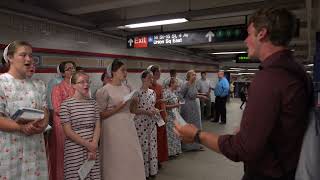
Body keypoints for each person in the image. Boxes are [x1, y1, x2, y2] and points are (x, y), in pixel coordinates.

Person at [175, 7, 313, 180]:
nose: (246, 40)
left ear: (262, 33)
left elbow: (244, 148)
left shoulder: (268, 79)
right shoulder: (299, 73)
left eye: (249, 34)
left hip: (267, 173)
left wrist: (197, 135)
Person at [0, 41, 49, 179]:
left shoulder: (38, 85)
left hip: (35, 148)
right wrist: (21, 128)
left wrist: (43, 124)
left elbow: (44, 109)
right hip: (10, 148)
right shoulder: (2, 83)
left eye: (30, 55)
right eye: (23, 55)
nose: (28, 59)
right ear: (10, 58)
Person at [96, 59, 145, 180]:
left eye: (126, 70)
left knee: (131, 154)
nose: (125, 73)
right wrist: (118, 107)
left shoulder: (127, 88)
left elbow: (132, 110)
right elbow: (100, 115)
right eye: (122, 70)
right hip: (112, 128)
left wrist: (135, 101)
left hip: (128, 125)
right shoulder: (104, 90)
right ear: (113, 72)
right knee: (115, 157)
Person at [60, 72, 101, 179]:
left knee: (93, 175)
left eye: (87, 82)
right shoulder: (66, 105)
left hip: (92, 146)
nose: (86, 84)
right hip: (75, 148)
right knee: (76, 175)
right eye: (82, 82)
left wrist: (94, 145)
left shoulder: (93, 103)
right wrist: (88, 145)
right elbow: (68, 131)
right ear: (73, 85)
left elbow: (97, 125)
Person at [48, 61, 76, 180]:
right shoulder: (57, 88)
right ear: (63, 73)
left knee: (75, 152)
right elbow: (57, 108)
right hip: (61, 123)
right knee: (62, 152)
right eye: (68, 69)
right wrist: (75, 111)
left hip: (75, 122)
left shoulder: (76, 87)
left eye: (73, 68)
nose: (72, 70)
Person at [130, 70, 159, 179]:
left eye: (152, 78)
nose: (151, 80)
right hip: (141, 123)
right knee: (143, 147)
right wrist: (146, 112)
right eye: (149, 78)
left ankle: (152, 170)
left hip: (151, 123)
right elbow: (132, 110)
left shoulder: (152, 92)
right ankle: (143, 172)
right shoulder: (136, 93)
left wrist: (155, 110)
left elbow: (152, 105)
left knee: (152, 145)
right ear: (143, 79)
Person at [179, 70, 208, 151]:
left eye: (195, 75)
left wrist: (202, 96)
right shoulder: (185, 84)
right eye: (193, 75)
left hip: (194, 106)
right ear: (188, 76)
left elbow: (194, 94)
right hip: (187, 107)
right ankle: (187, 146)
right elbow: (180, 95)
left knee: (196, 125)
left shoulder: (194, 84)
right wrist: (182, 105)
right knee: (188, 125)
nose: (195, 76)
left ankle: (196, 145)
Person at [148, 65, 169, 165]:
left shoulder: (160, 86)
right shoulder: (148, 86)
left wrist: (165, 113)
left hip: (160, 114)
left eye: (160, 72)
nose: (159, 74)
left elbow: (163, 102)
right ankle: (153, 159)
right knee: (154, 138)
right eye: (157, 72)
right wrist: (158, 101)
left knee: (160, 137)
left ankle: (159, 159)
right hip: (152, 114)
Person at [163, 78, 182, 157]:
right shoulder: (166, 93)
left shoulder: (173, 92)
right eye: (176, 83)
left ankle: (175, 150)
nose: (177, 84)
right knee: (170, 135)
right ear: (171, 84)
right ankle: (170, 152)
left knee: (175, 134)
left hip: (174, 115)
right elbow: (164, 106)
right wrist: (175, 105)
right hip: (169, 116)